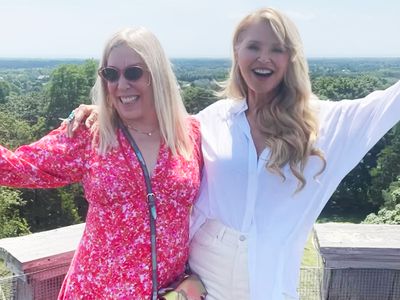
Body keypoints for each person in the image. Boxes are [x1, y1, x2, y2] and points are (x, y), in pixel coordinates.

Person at [68, 8, 400, 300]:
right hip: (201, 286)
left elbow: (389, 104)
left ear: (291, 58)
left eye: (277, 49)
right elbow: (157, 124)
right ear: (237, 52)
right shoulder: (212, 121)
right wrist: (114, 104)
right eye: (253, 46)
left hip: (268, 287)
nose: (264, 58)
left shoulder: (325, 126)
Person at [0, 27, 206, 299]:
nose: (121, 85)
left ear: (157, 75)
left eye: (133, 72)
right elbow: (18, 166)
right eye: (111, 74)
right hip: (95, 291)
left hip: (167, 291)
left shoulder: (192, 135)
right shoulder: (92, 135)